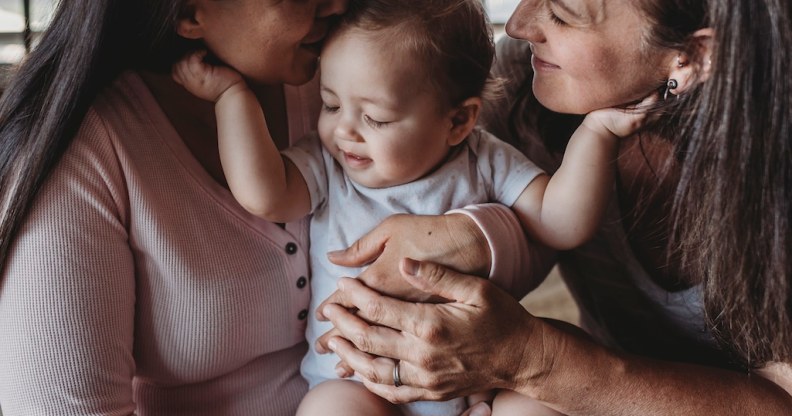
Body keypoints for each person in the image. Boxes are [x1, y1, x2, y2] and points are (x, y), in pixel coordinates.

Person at [0, 0, 533, 414]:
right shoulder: (82, 161)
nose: (335, 3)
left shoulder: (339, 83)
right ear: (188, 12)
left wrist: (470, 235)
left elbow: (492, 195)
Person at [172, 0, 652, 414]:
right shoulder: (329, 165)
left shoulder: (483, 158)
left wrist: (597, 133)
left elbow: (561, 223)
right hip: (360, 384)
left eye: (375, 117)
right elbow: (263, 193)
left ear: (458, 121)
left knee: (538, 406)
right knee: (326, 409)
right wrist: (232, 99)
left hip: (477, 384)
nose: (345, 131)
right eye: (331, 105)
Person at [315, 0, 792, 414]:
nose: (520, 24)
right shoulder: (521, 84)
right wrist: (477, 233)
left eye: (563, 15)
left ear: (690, 57)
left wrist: (532, 358)